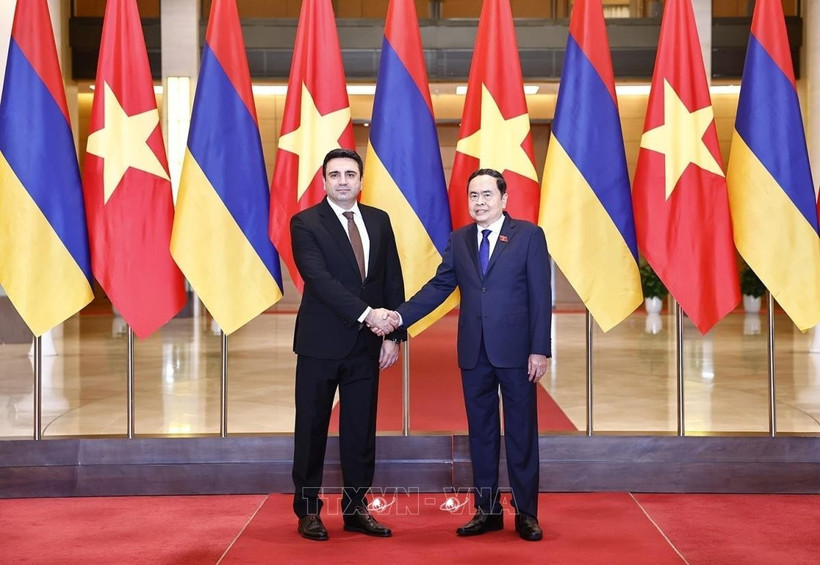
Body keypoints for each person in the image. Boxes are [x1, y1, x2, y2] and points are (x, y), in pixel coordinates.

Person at [391, 168, 551, 542]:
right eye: (473, 196)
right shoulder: (460, 239)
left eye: (487, 195)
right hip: (474, 352)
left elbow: (540, 296)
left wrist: (539, 348)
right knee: (481, 434)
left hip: (516, 352)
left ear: (504, 199)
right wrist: (399, 317)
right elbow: (440, 286)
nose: (479, 202)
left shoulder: (529, 236)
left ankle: (527, 513)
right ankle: (487, 510)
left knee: (521, 434)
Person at [290, 148, 405, 541]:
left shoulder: (379, 220)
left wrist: (392, 333)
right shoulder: (305, 222)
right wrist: (368, 315)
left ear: (360, 180)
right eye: (335, 174)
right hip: (320, 343)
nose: (343, 181)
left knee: (360, 430)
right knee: (311, 428)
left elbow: (391, 279)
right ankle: (308, 511)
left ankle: (356, 509)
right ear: (324, 181)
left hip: (367, 345)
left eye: (350, 174)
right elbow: (318, 280)